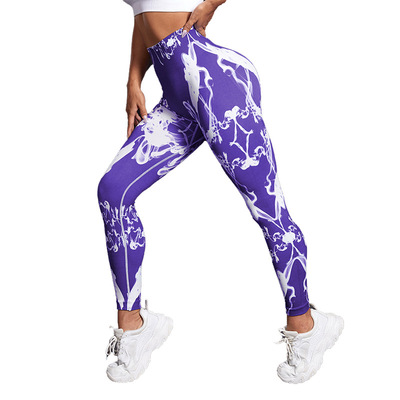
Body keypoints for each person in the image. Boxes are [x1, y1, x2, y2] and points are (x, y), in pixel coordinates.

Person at [98, 0, 344, 384]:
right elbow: (143, 17)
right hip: (176, 99)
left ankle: (306, 326)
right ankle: (135, 327)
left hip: (216, 83)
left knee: (267, 209)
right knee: (113, 192)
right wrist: (133, 82)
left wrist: (213, 2)